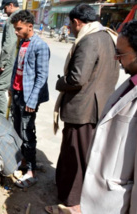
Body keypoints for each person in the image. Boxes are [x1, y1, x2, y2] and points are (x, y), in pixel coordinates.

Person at [47, 4, 120, 214]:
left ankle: (72, 204)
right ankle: (71, 194)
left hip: (83, 110)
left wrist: (60, 83)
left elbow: (77, 78)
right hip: (97, 107)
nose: (69, 29)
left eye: (70, 25)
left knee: (75, 157)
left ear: (77, 22)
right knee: (81, 155)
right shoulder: (107, 36)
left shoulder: (90, 40)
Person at [80, 20, 137, 214]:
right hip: (102, 195)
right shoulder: (130, 84)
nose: (116, 58)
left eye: (121, 53)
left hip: (120, 201)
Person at [9, 10, 50, 188]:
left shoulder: (39, 46)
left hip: (28, 99)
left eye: (19, 28)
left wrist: (32, 101)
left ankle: (31, 172)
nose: (16, 32)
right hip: (18, 94)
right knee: (18, 131)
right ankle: (24, 162)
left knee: (27, 134)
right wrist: (12, 88)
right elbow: (17, 69)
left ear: (30, 27)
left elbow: (42, 77)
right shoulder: (23, 43)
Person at [0, 0, 20, 116]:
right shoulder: (23, 16)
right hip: (18, 58)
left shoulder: (13, 19)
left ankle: (4, 118)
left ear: (11, 6)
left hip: (10, 59)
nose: (4, 11)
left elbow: (9, 44)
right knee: (11, 90)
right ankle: (10, 117)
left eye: (5, 8)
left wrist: (1, 63)